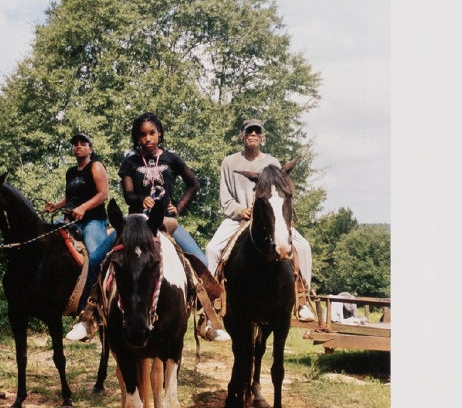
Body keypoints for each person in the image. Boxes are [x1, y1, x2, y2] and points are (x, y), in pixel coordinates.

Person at [117, 113, 225, 333]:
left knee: (201, 261)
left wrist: (179, 207)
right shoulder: (130, 162)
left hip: (166, 222)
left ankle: (206, 316)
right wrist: (140, 199)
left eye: (152, 133)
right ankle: (90, 312)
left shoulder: (172, 159)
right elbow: (128, 195)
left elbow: (194, 183)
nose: (147, 138)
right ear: (137, 137)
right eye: (142, 134)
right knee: (102, 256)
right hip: (136, 222)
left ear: (160, 133)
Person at [205, 117, 314, 288]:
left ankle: (303, 297)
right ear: (242, 136)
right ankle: (212, 297)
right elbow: (225, 198)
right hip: (238, 219)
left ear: (263, 137)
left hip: (270, 219)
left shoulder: (273, 163)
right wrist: (241, 211)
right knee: (212, 249)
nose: (253, 134)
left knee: (304, 247)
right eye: (249, 131)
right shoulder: (229, 162)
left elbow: (280, 197)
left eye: (257, 131)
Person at [44, 132, 114, 343]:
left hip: (93, 221)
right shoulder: (71, 172)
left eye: (83, 144)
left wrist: (83, 208)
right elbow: (71, 197)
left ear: (90, 149)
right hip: (70, 220)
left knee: (97, 257)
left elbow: (103, 194)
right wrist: (56, 206)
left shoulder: (96, 166)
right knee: (45, 242)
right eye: (75, 144)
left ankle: (97, 306)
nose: (78, 147)